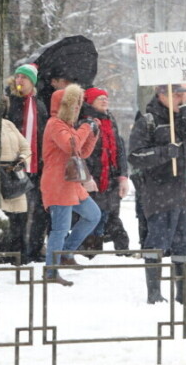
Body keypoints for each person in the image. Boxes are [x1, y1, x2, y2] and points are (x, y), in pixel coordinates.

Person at [128, 84, 186, 304]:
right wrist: (162, 153)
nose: (181, 99)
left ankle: (185, 290)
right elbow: (135, 156)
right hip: (159, 192)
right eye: (176, 94)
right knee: (157, 240)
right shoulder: (148, 120)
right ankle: (154, 291)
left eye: (183, 94)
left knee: (185, 243)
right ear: (162, 95)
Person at [40, 84, 101, 286]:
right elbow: (71, 145)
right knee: (60, 228)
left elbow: (80, 153)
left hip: (70, 182)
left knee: (93, 215)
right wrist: (85, 128)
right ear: (64, 105)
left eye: (78, 105)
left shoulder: (66, 126)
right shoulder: (55, 124)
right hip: (58, 182)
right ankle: (51, 271)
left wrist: (93, 134)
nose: (77, 109)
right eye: (73, 105)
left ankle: (66, 253)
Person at [5, 63, 50, 263]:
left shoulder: (38, 104)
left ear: (32, 82)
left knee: (38, 210)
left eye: (23, 77)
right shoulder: (10, 101)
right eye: (17, 77)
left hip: (36, 164)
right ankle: (14, 251)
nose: (19, 80)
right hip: (14, 163)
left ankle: (33, 248)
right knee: (15, 209)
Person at [80, 87, 130, 253]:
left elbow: (120, 149)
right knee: (95, 217)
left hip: (110, 179)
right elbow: (80, 153)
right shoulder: (85, 121)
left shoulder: (110, 120)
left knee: (108, 216)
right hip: (93, 179)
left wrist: (123, 176)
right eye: (99, 98)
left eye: (105, 98)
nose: (104, 100)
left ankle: (102, 249)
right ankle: (92, 250)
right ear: (90, 101)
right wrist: (86, 177)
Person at [0, 96, 32, 263]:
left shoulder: (10, 125)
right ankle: (3, 256)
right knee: (3, 216)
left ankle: (18, 256)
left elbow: (26, 146)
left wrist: (22, 159)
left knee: (20, 216)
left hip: (14, 173)